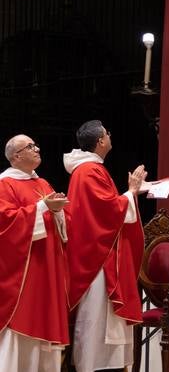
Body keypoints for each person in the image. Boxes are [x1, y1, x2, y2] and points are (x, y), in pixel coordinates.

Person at [64, 120, 146, 372]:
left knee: (101, 322)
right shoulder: (89, 171)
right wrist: (131, 192)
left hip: (99, 253)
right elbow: (107, 210)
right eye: (107, 133)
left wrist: (130, 195)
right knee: (95, 322)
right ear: (100, 140)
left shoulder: (91, 169)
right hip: (96, 258)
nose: (110, 136)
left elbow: (106, 206)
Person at [0, 135, 69, 372]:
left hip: (47, 265)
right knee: (21, 323)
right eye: (30, 146)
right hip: (23, 271)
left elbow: (58, 221)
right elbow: (4, 222)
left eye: (36, 145)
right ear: (16, 156)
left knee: (44, 318)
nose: (37, 148)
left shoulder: (43, 184)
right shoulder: (4, 184)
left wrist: (59, 212)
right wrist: (42, 207)